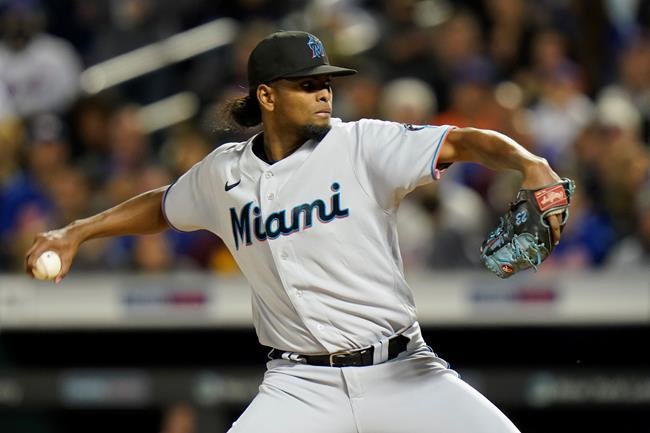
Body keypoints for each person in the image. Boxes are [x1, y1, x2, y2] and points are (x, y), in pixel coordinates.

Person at [26, 31, 565, 433]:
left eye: (326, 84)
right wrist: (76, 232)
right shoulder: (223, 174)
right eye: (308, 86)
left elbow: (463, 142)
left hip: (405, 371)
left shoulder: (361, 144)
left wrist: (531, 162)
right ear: (267, 96)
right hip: (300, 386)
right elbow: (160, 207)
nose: (324, 94)